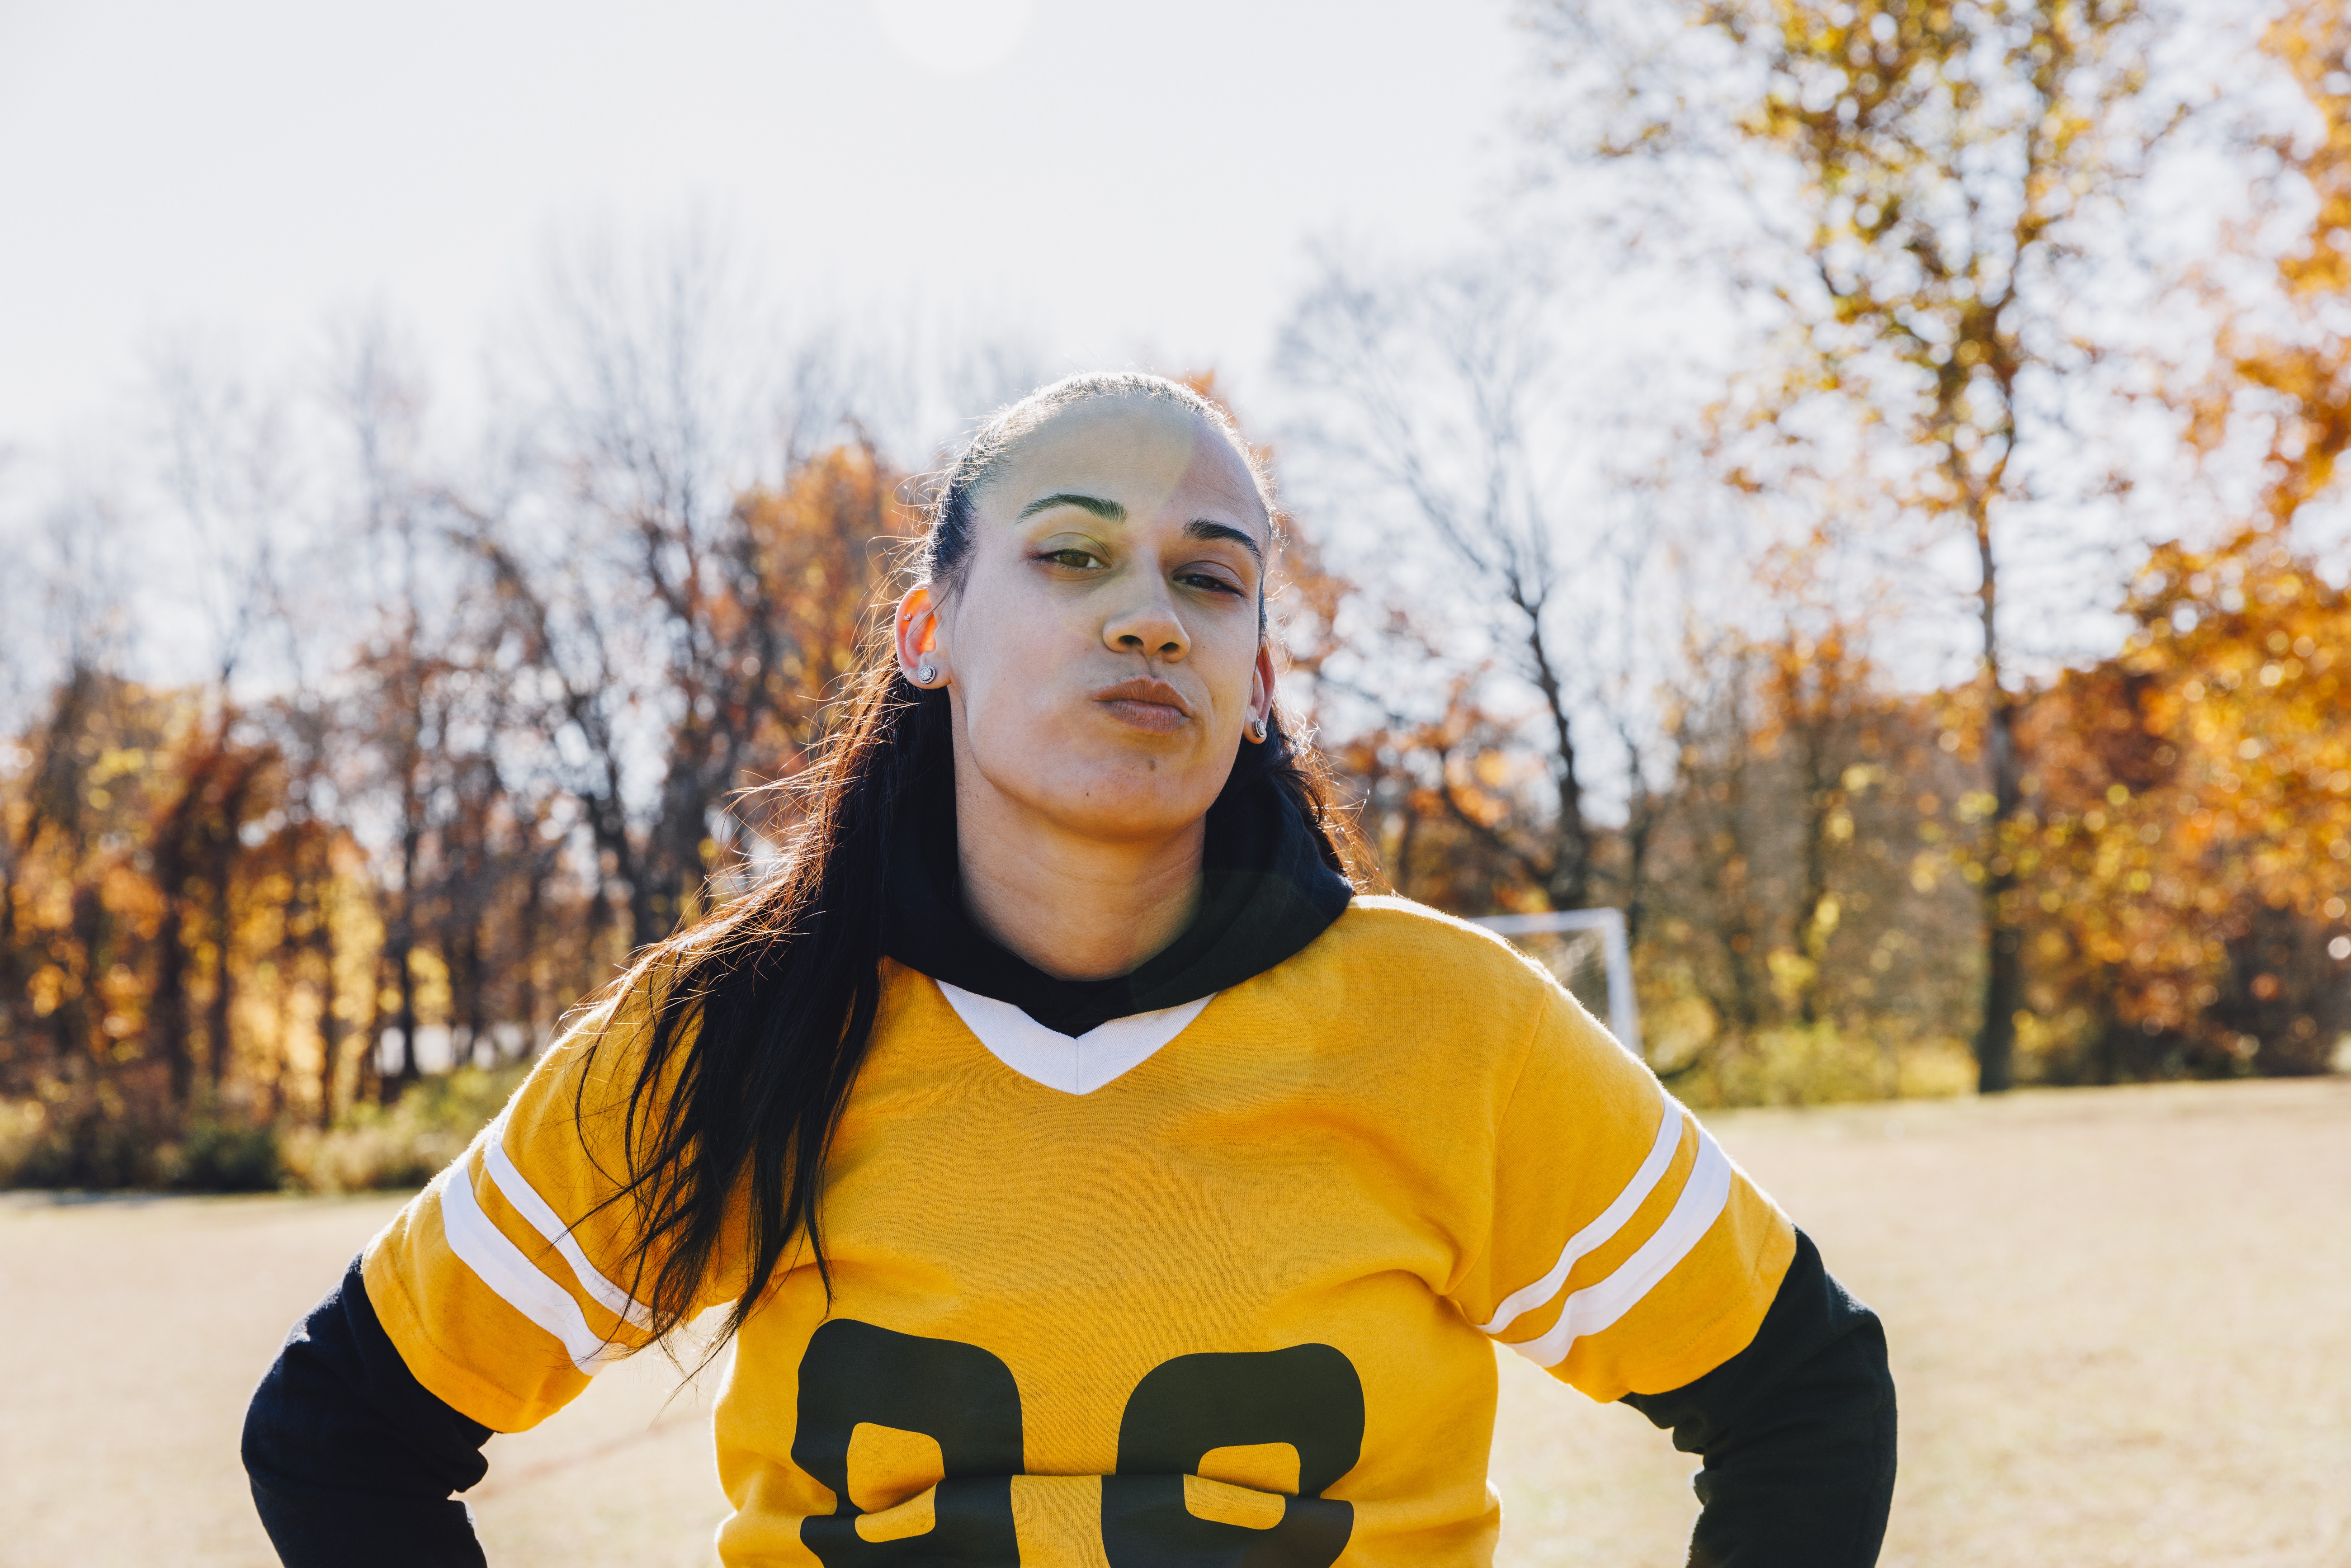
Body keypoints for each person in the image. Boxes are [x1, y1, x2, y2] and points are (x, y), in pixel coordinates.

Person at [243, 372, 1895, 1567]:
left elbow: (1805, 1399)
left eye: (1209, 577)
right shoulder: (733, 1022)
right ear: (929, 632)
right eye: (1072, 553)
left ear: (1257, 680)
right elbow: (341, 1436)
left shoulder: (1455, 1031)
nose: (1151, 615)